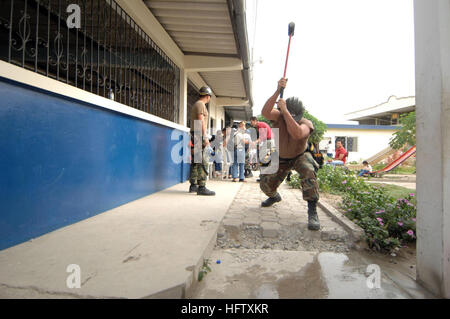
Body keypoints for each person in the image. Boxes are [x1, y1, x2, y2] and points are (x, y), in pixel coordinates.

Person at [259, 78, 321, 231]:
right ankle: (274, 196)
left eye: (295, 117)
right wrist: (277, 90)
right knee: (264, 185)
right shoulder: (278, 116)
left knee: (308, 171)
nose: (289, 119)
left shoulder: (306, 124)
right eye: (285, 114)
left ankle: (312, 211)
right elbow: (265, 112)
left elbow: (298, 134)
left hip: (300, 156)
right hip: (281, 158)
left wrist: (285, 111)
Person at [188, 86, 215, 196]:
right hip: (198, 134)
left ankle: (193, 185)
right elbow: (201, 121)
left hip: (195, 134)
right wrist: (205, 138)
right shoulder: (201, 104)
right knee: (204, 160)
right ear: (208, 96)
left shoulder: (196, 104)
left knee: (196, 160)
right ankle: (202, 186)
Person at [250, 116, 274, 182]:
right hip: (269, 142)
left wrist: (255, 142)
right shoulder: (260, 125)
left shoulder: (260, 125)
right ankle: (265, 177)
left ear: (255, 120)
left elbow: (263, 136)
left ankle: (264, 177)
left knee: (263, 159)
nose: (251, 123)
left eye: (251, 122)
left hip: (268, 141)